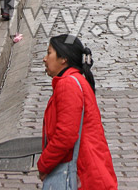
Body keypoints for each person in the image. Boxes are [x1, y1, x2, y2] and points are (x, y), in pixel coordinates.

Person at [36, 35, 118, 189]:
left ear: (63, 59)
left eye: (49, 53)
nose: (45, 59)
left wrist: (43, 164)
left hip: (83, 175)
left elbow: (65, 136)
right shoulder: (75, 81)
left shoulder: (68, 85)